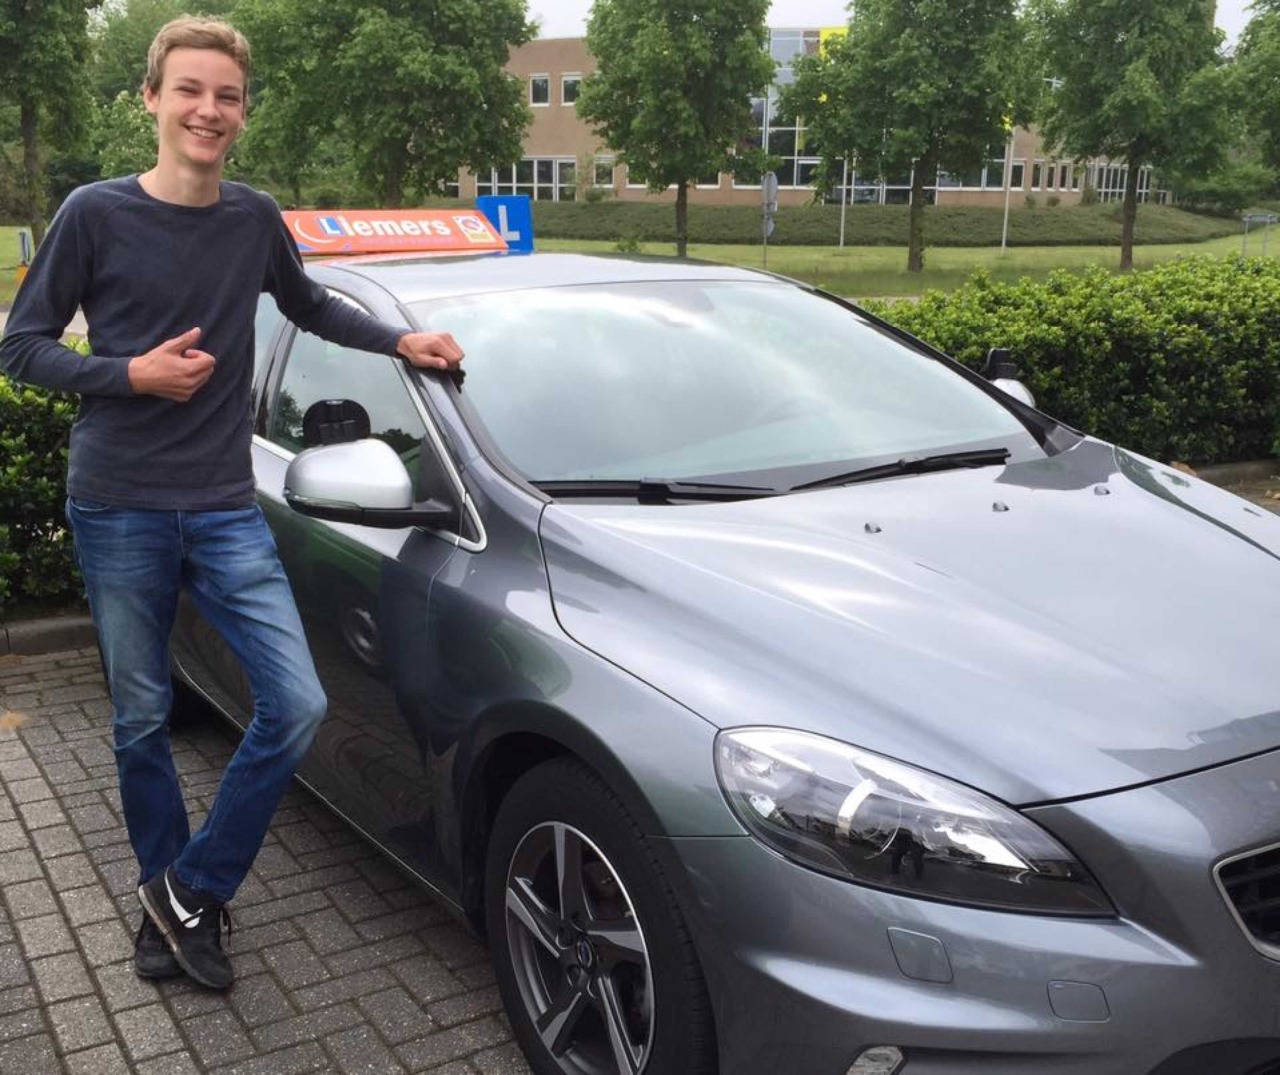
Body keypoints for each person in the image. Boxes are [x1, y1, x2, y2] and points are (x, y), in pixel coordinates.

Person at [0, 15, 463, 991]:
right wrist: (130, 375)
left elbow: (308, 302)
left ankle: (190, 887)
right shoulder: (93, 213)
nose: (208, 110)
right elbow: (21, 347)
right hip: (118, 505)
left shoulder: (253, 218)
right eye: (190, 90)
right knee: (141, 719)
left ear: (243, 112)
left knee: (296, 704)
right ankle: (170, 903)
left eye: (227, 96)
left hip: (221, 507)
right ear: (152, 99)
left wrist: (397, 341)